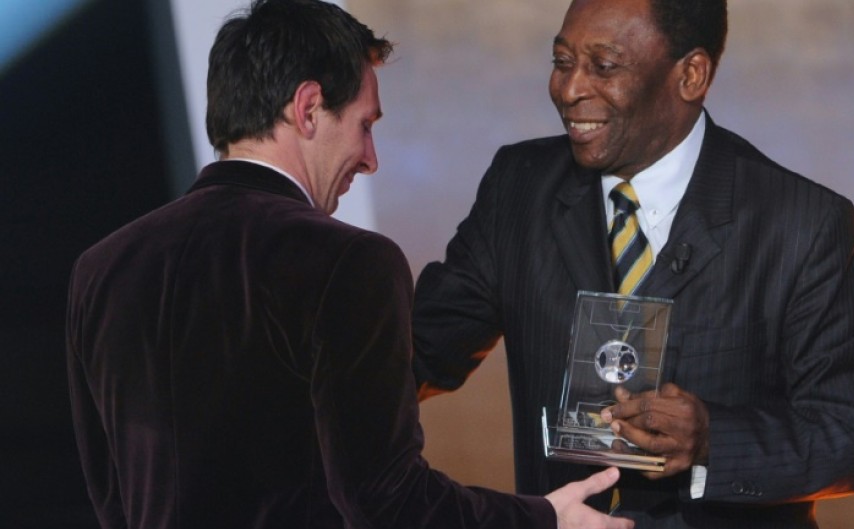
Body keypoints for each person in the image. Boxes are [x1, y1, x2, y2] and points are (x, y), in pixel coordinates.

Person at [65, 1, 634, 528]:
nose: (370, 159)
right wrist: (543, 519)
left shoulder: (100, 270)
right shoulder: (348, 261)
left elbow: (109, 495)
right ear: (308, 107)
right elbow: (389, 501)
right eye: (365, 125)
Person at [411, 0, 854, 527]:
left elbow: (852, 440)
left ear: (690, 75)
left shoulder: (799, 223)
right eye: (562, 61)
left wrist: (711, 442)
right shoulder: (518, 189)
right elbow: (415, 355)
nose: (569, 91)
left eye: (604, 66)